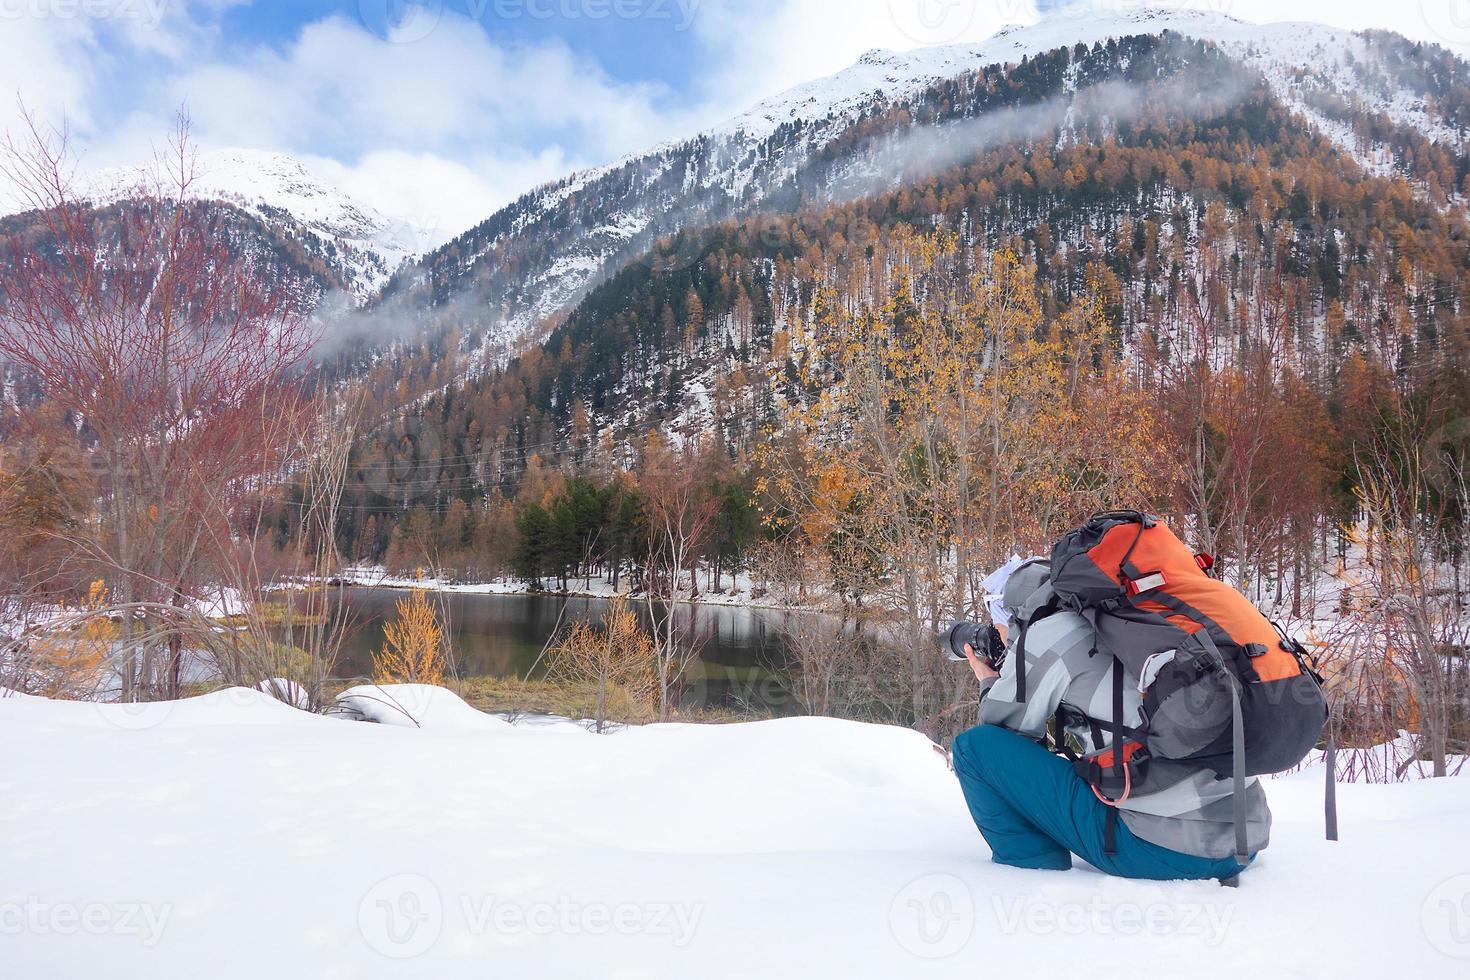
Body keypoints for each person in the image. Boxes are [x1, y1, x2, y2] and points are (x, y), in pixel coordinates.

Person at [950, 559, 1269, 882]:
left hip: (1158, 852)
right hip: (1243, 840)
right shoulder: (1142, 619)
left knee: (973, 748)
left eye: (998, 625)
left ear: (1014, 612)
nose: (997, 634)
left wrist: (990, 680)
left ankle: (1029, 866)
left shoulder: (1050, 631)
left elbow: (1001, 731)